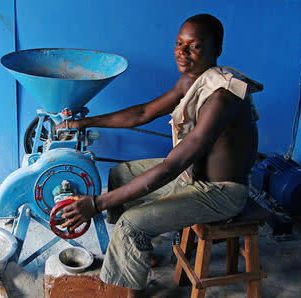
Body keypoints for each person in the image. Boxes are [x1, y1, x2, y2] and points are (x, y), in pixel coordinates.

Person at [57, 13, 263, 297]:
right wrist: (83, 123)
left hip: (221, 192)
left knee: (131, 224)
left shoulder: (222, 97)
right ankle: (135, 256)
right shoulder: (192, 81)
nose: (182, 52)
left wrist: (97, 202)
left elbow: (173, 165)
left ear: (216, 50)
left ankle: (133, 282)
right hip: (192, 176)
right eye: (179, 43)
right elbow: (142, 113)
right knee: (120, 174)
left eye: (194, 46)